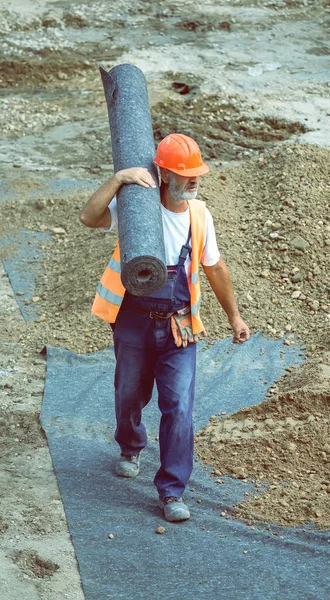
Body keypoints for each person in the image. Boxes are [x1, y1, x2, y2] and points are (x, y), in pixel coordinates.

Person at [80, 133, 250, 522]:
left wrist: (234, 318)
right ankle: (130, 445)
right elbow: (89, 218)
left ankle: (172, 490)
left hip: (179, 326)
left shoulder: (199, 215)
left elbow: (215, 268)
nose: (194, 180)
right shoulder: (137, 207)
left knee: (179, 407)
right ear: (164, 172)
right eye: (185, 174)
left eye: (197, 174)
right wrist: (119, 179)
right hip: (133, 319)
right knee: (128, 394)